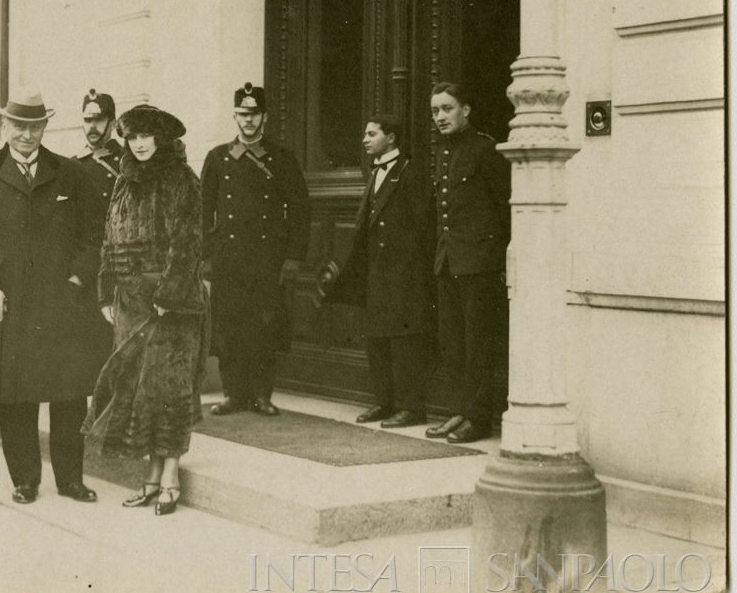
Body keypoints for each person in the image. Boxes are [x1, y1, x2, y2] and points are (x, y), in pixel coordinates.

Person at [0, 92, 105, 504]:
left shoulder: (70, 173)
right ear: (6, 126)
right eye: (19, 126)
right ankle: (25, 479)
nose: (26, 135)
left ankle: (70, 479)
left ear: (45, 128)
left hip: (62, 303)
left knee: (69, 394)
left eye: (35, 127)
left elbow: (94, 233)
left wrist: (77, 278)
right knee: (15, 394)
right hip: (7, 303)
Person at [83, 104, 206, 516]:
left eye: (146, 136)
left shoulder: (181, 179)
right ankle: (151, 480)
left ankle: (169, 478)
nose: (138, 144)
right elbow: (108, 238)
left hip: (170, 307)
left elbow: (187, 243)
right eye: (132, 137)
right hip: (130, 305)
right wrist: (105, 293)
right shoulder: (123, 180)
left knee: (169, 390)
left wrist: (167, 295)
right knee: (139, 391)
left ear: (162, 138)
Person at [316, 115, 436, 428]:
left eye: (372, 133)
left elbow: (422, 226)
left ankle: (411, 407)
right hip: (376, 272)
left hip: (404, 272)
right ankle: (384, 402)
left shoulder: (410, 173)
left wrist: (410, 268)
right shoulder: (376, 171)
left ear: (392, 137)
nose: (365, 139)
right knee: (377, 339)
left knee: (404, 341)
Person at [201, 82, 309, 416]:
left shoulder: (281, 158)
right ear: (235, 115)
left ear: (264, 116)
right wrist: (204, 258)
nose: (249, 120)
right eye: (243, 114)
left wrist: (292, 257)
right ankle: (233, 393)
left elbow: (301, 210)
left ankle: (262, 394)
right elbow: (203, 211)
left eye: (255, 114)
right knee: (230, 326)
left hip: (266, 258)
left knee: (264, 326)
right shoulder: (218, 158)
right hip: (228, 258)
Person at [426, 81, 511, 444]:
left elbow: (504, 206)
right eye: (435, 111)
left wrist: (504, 257)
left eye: (447, 109)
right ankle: (458, 411)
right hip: (449, 261)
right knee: (453, 342)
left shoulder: (485, 150)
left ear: (466, 110)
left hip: (480, 264)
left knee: (478, 344)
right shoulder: (444, 153)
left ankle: (478, 419)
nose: (440, 117)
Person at [74, 88, 124, 364]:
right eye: (87, 120)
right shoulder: (73, 166)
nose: (92, 127)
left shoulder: (128, 162)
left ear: (113, 124)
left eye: (99, 120)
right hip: (89, 269)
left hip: (123, 267)